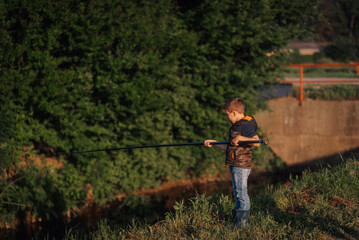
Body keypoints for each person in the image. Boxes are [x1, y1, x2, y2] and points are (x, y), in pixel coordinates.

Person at [204, 98, 260, 229]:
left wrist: (240, 138)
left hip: (241, 164)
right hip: (235, 163)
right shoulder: (237, 126)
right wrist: (214, 143)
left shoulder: (245, 125)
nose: (227, 117)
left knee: (241, 193)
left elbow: (256, 142)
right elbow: (229, 147)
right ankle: (237, 223)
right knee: (237, 193)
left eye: (227, 114)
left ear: (233, 112)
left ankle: (242, 226)